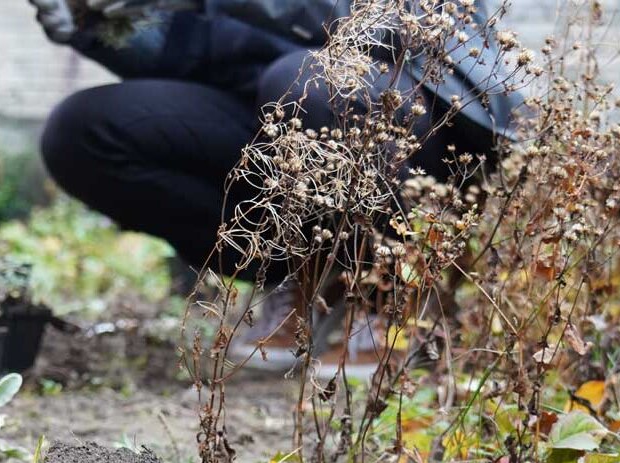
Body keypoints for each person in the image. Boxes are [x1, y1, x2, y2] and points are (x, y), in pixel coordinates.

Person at [29, 0, 521, 373]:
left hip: (409, 106)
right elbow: (196, 55)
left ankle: (389, 293)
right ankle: (297, 272)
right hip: (270, 114)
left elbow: (366, 21)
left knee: (307, 81)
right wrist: (106, 25)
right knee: (81, 132)